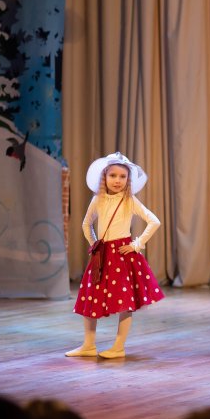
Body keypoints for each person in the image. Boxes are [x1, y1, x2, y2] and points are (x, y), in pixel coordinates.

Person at [66, 151, 163, 359]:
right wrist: (94, 244)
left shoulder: (129, 200)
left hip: (121, 255)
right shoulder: (98, 200)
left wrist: (136, 245)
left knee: (124, 302)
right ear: (104, 177)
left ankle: (118, 347)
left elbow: (154, 221)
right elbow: (86, 224)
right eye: (113, 175)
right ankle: (88, 345)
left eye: (122, 176)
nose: (117, 180)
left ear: (128, 179)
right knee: (91, 297)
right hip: (102, 256)